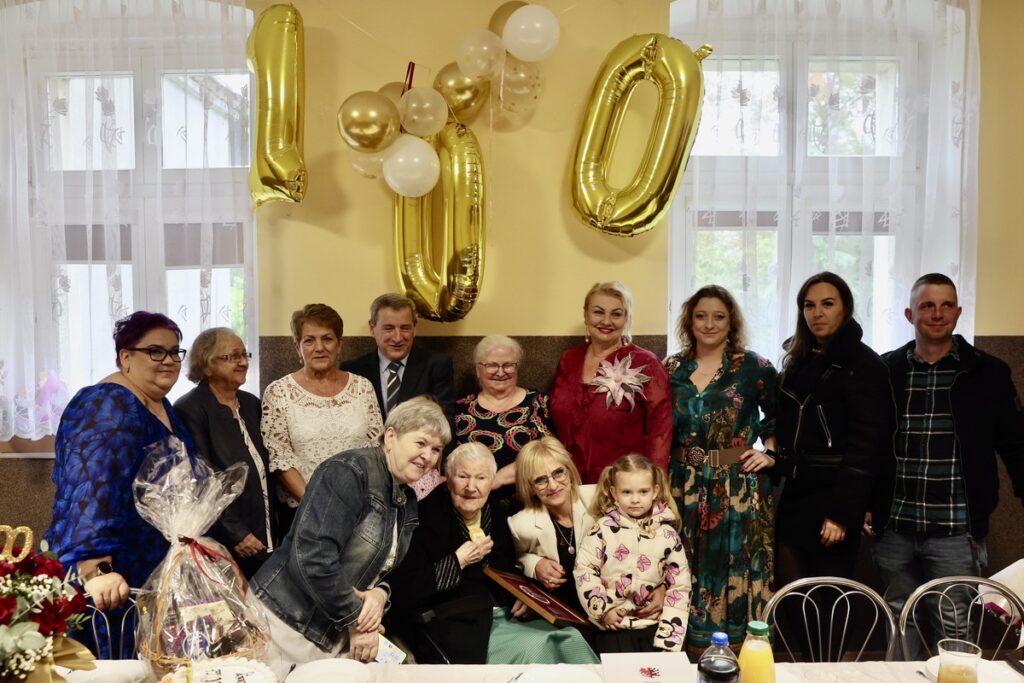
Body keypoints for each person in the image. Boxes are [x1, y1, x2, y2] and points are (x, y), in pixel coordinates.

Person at [868, 273, 1024, 659]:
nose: (937, 314)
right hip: (896, 525)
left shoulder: (988, 373)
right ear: (909, 313)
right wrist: (863, 504)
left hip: (956, 529)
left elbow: (1016, 445)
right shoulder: (886, 371)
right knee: (897, 617)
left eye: (946, 305)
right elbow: (868, 447)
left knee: (953, 620)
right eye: (927, 305)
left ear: (958, 311)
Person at [251, 397, 450, 679]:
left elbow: (393, 568)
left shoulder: (407, 498)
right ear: (391, 436)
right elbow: (312, 558)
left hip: (336, 628)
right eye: (421, 443)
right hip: (286, 624)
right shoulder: (349, 472)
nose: (428, 456)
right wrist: (357, 620)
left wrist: (381, 595)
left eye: (436, 449)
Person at [45, 311, 198, 657]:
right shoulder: (105, 403)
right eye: (155, 351)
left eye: (175, 352)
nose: (169, 361)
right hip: (110, 580)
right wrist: (96, 568)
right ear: (126, 357)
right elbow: (89, 487)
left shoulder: (161, 405)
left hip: (147, 572)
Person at [387, 442, 598, 665]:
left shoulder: (495, 512)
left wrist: (523, 597)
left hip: (502, 615)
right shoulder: (423, 516)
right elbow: (404, 589)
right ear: (447, 478)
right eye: (462, 476)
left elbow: (507, 569)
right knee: (537, 647)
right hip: (455, 622)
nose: (471, 487)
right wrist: (458, 561)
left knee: (571, 638)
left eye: (480, 478)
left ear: (492, 482)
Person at [662, 285, 779, 655]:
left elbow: (778, 418)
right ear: (688, 321)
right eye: (701, 316)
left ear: (731, 322)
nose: (709, 324)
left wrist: (770, 452)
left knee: (736, 566)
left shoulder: (754, 367)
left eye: (718, 316)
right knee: (683, 563)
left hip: (736, 485)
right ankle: (685, 651)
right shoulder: (671, 368)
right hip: (681, 483)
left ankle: (741, 653)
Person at [774, 272, 893, 585]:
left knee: (827, 595)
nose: (818, 313)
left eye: (827, 303)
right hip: (796, 491)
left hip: (835, 495)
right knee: (791, 591)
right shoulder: (797, 359)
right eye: (809, 305)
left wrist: (842, 513)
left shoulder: (864, 365)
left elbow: (866, 448)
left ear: (846, 308)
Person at [262, 303, 382, 530]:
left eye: (327, 338)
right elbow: (280, 461)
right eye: (309, 340)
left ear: (339, 344)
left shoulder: (363, 388)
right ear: (297, 347)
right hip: (303, 514)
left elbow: (375, 451)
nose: (319, 347)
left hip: (359, 512)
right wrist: (319, 509)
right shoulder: (278, 392)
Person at [175, 327, 275, 578]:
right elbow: (203, 477)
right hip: (226, 536)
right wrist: (236, 532)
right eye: (231, 357)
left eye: (244, 355)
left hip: (265, 525)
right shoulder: (191, 408)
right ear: (206, 365)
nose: (242, 362)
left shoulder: (251, 403)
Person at [550, 281, 672, 484]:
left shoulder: (645, 363)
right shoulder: (568, 360)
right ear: (586, 315)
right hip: (569, 483)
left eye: (616, 314)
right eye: (598, 312)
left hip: (624, 484)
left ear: (627, 319)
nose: (606, 321)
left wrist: (653, 483)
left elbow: (660, 429)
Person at [342, 293, 457, 498]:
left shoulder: (436, 365)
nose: (397, 337)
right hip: (366, 477)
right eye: (388, 328)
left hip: (419, 476)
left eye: (405, 328)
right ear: (372, 328)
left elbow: (445, 424)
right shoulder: (353, 370)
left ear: (415, 328)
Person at [574, 454, 692, 653]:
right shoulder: (602, 529)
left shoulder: (668, 535)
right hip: (613, 625)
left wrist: (669, 641)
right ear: (614, 492)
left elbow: (680, 586)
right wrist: (603, 611)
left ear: (655, 491)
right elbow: (584, 571)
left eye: (643, 491)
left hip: (653, 626)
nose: (635, 499)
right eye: (627, 492)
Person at [454, 335, 553, 512]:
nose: (500, 372)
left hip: (527, 504)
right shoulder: (461, 409)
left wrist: (496, 479)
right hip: (471, 504)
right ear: (478, 370)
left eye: (508, 365)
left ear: (517, 368)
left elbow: (545, 455)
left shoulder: (537, 403)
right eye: (492, 365)